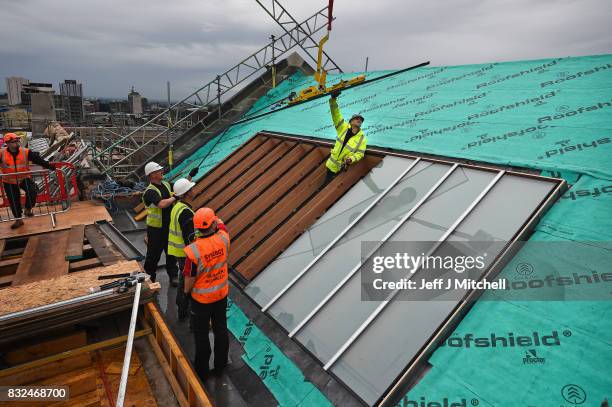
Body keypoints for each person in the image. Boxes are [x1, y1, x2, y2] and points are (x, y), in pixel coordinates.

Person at [183, 208, 230, 379]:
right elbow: (222, 225)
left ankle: (202, 371)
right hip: (221, 296)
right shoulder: (224, 239)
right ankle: (221, 365)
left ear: (197, 228)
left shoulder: (193, 251)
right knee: (221, 329)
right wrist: (216, 219)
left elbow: (189, 278)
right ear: (212, 224)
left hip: (201, 300)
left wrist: (185, 293)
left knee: (201, 335)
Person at [142, 161, 197, 285]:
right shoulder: (150, 191)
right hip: (155, 230)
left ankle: (173, 276)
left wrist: (190, 176)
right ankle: (150, 278)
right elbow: (161, 204)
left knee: (170, 254)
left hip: (168, 227)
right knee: (153, 255)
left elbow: (180, 189)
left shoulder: (166, 185)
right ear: (152, 175)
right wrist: (175, 197)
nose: (162, 172)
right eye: (158, 171)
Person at [0, 133, 53, 229]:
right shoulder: (2, 153)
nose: (16, 144)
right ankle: (18, 220)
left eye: (17, 141)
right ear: (7, 143)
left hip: (24, 178)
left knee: (33, 191)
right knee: (14, 200)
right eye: (13, 142)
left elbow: (38, 160)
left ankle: (28, 209)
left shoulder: (25, 152)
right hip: (9, 181)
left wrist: (49, 166)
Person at [169, 178, 198, 321]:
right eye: (191, 189)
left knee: (183, 279)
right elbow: (190, 238)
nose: (194, 190)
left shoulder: (177, 206)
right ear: (187, 193)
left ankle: (181, 306)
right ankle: (184, 310)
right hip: (185, 253)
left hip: (178, 251)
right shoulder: (186, 212)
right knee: (187, 282)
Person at [324, 89, 368, 184]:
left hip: (342, 169)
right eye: (356, 119)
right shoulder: (342, 127)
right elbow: (335, 114)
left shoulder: (362, 138)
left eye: (360, 120)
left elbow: (360, 154)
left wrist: (351, 159)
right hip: (331, 166)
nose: (359, 120)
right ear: (351, 121)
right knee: (325, 186)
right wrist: (333, 99)